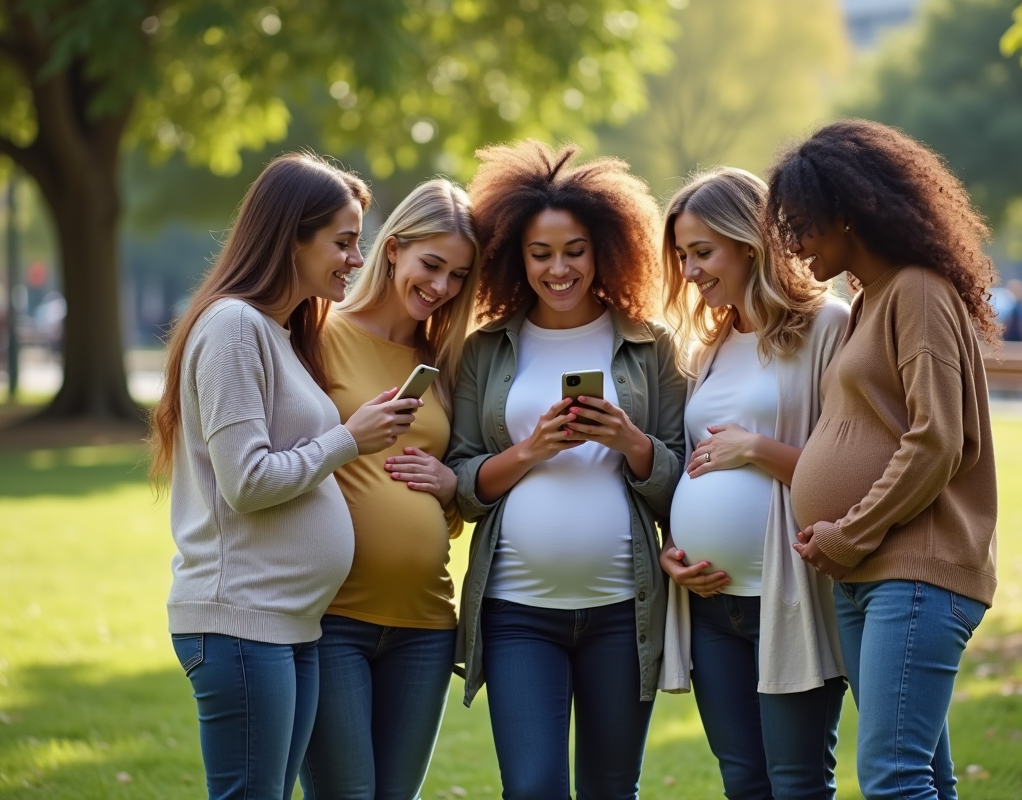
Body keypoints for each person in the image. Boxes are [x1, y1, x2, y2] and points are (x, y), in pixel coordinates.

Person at [149, 153, 423, 799]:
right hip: (241, 620)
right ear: (289, 237)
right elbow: (245, 481)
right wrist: (347, 440)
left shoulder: (277, 332)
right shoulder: (234, 327)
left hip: (288, 623)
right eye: (344, 241)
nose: (358, 259)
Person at [446, 140, 686, 800]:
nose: (558, 268)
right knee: (532, 788)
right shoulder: (489, 350)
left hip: (621, 610)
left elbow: (683, 481)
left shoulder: (647, 346)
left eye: (574, 250)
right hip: (517, 612)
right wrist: (530, 450)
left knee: (612, 790)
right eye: (540, 253)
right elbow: (463, 485)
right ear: (515, 258)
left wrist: (632, 443)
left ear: (603, 248)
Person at [767, 119, 999, 800]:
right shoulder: (869, 300)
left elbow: (937, 439)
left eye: (802, 226)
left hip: (914, 570)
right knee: (925, 776)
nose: (794, 245)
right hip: (868, 574)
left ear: (847, 213)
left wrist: (851, 530)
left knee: (895, 782)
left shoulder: (917, 291)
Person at [657, 167, 849, 800]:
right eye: (684, 256)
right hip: (712, 604)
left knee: (796, 782)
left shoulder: (826, 327)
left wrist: (758, 449)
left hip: (787, 595)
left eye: (702, 252)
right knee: (742, 780)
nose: (690, 271)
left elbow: (852, 473)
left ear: (750, 243)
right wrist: (672, 553)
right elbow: (694, 466)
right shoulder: (710, 346)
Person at [300, 179, 481, 799]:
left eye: (459, 276)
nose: (441, 287)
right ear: (395, 247)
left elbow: (455, 500)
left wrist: (450, 486)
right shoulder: (318, 334)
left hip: (426, 624)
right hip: (333, 618)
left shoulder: (445, 361)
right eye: (432, 265)